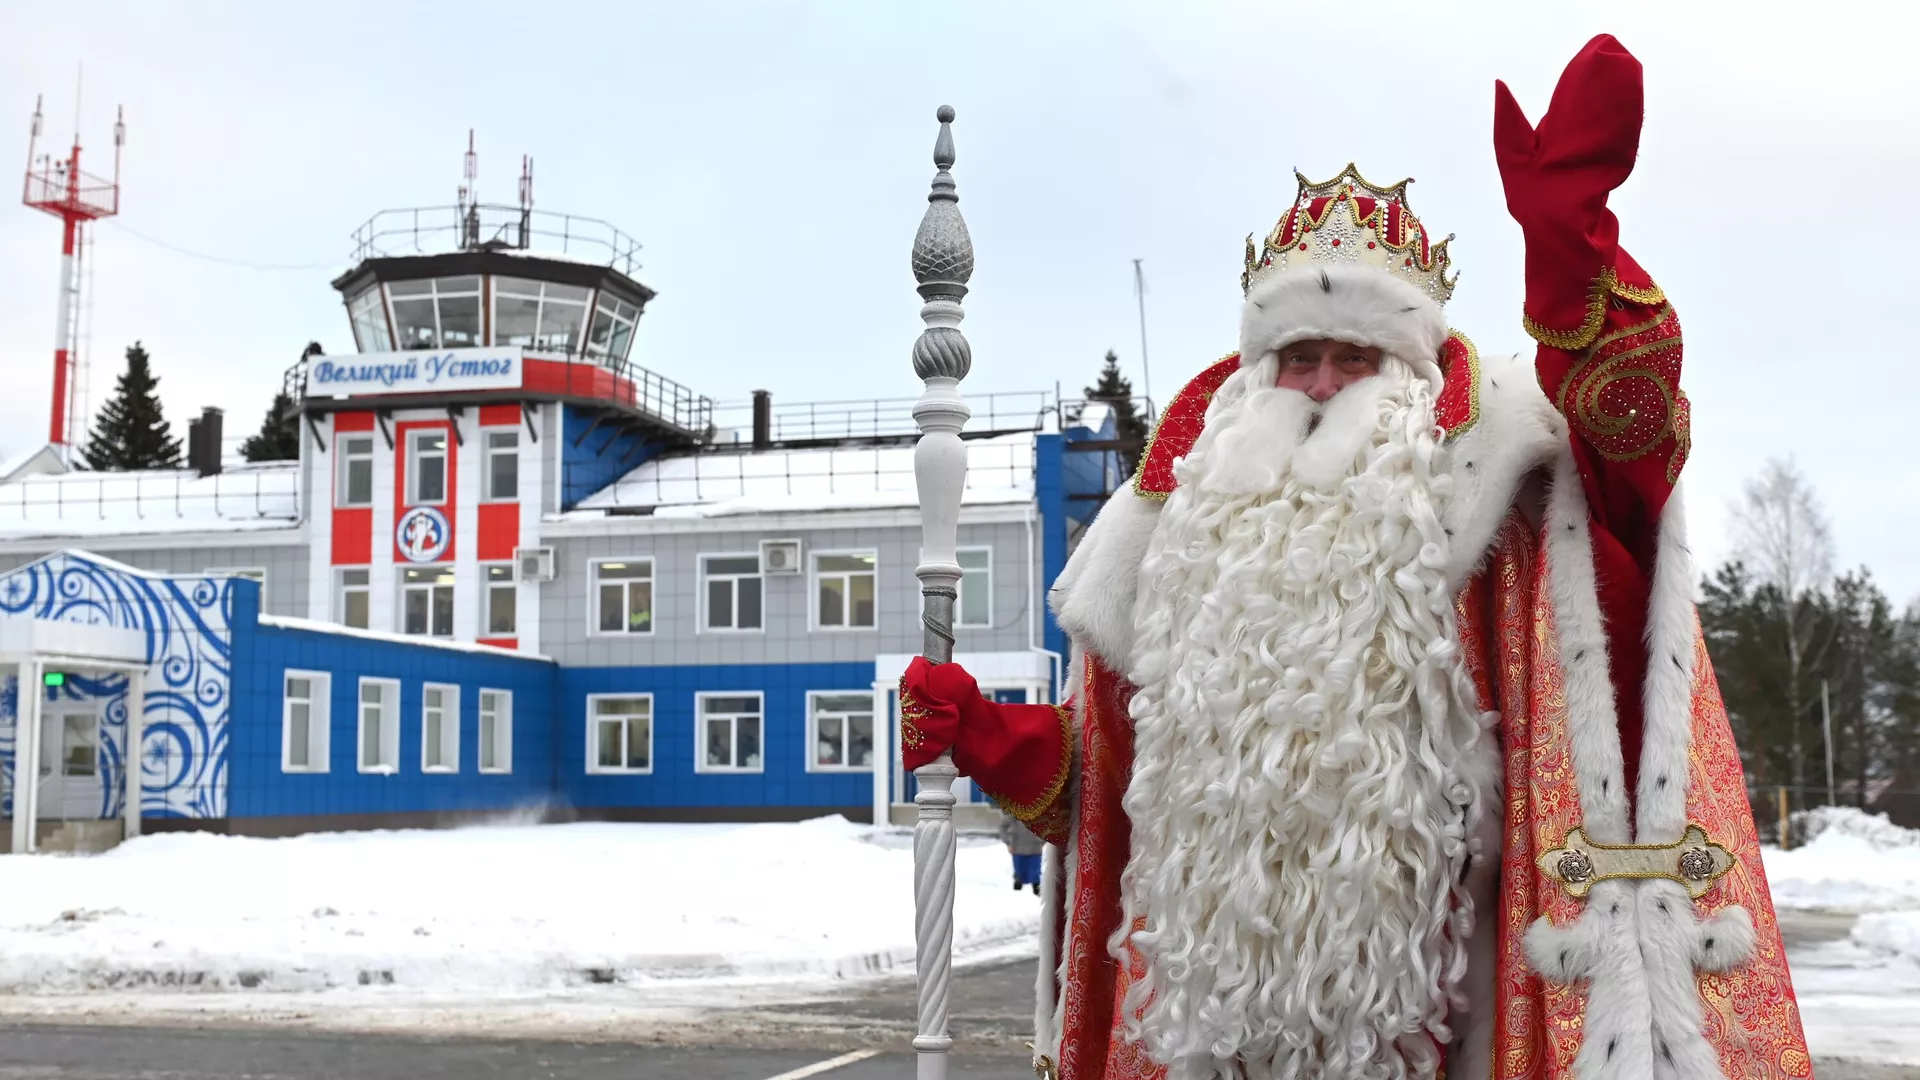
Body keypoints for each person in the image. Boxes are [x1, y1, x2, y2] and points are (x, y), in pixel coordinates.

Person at [897, 35, 1810, 1080]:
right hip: (1210, 1040)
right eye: (1299, 356)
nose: (1324, 384)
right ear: (1259, 369)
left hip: (1441, 1032)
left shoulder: (1495, 503)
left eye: (1354, 356)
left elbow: (1631, 461)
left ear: (1410, 371)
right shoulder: (1185, 535)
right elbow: (1116, 789)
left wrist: (1574, 269)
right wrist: (993, 739)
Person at [1002, 807, 1046, 894]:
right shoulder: (1014, 810)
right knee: (1019, 876)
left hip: (1035, 849)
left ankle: (1036, 894)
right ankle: (1016, 895)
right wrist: (1008, 842)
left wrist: (1043, 840)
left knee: (1035, 876)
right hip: (1018, 848)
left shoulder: (1040, 810)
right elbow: (1003, 827)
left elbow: (1049, 826)